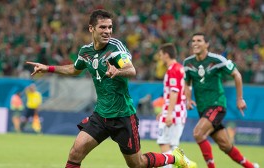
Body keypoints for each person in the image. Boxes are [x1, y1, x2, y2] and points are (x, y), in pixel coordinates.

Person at [26, 9, 191, 168]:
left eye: (110, 27)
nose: (107, 31)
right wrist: (48, 68)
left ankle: (174, 157)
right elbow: (74, 69)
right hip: (101, 115)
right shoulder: (86, 52)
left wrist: (118, 71)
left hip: (123, 116)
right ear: (91, 28)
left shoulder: (115, 48)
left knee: (137, 164)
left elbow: (131, 69)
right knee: (76, 152)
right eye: (103, 27)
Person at [183, 32, 259, 168]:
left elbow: (236, 74)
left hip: (217, 105)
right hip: (203, 109)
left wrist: (240, 99)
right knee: (226, 145)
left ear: (207, 44)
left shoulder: (217, 60)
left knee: (198, 133)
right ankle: (251, 166)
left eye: (199, 40)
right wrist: (188, 99)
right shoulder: (188, 63)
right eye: (193, 40)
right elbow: (187, 83)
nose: (195, 43)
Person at [156, 43, 197, 168]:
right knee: (172, 145)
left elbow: (174, 93)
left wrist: (168, 114)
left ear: (167, 55)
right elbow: (186, 87)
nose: (160, 57)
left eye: (161, 55)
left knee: (164, 143)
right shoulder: (180, 68)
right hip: (178, 110)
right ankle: (187, 164)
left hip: (173, 112)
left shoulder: (173, 69)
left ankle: (187, 164)